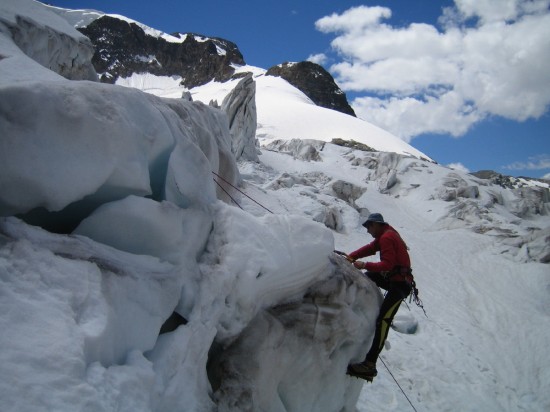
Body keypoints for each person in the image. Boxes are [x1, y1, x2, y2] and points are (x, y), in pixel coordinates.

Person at [346, 213, 414, 381]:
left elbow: (387, 264)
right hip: (395, 281)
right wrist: (352, 256)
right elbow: (370, 248)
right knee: (368, 276)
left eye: (369, 227)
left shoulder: (387, 237)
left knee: (384, 321)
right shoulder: (387, 234)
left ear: (376, 224)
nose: (368, 231)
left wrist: (363, 264)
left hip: (400, 286)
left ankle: (370, 364)